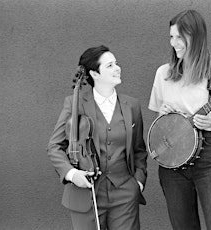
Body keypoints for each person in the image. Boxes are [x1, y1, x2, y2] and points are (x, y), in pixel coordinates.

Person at [148, 10, 211, 230]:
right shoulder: (163, 73)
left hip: (210, 160)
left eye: (179, 37)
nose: (174, 43)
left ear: (195, 37)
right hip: (172, 162)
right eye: (171, 37)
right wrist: (164, 114)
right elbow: (159, 124)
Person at [47, 45, 148, 230]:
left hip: (125, 193)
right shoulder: (74, 103)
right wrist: (72, 174)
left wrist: (138, 182)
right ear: (94, 73)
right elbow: (55, 146)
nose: (117, 68)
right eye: (110, 65)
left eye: (116, 63)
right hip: (85, 193)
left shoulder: (132, 105)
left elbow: (139, 149)